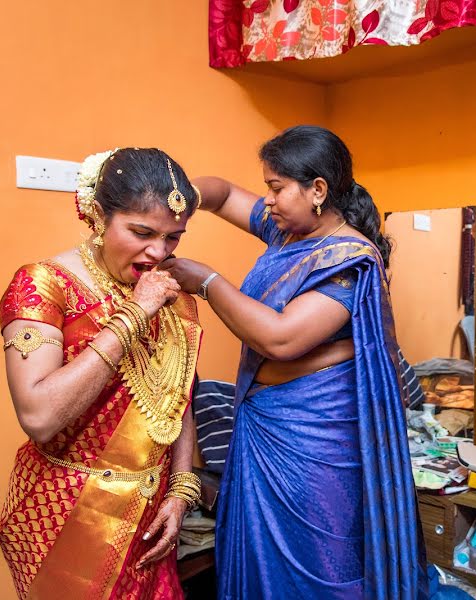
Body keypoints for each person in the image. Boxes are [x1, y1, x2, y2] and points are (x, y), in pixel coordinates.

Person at [163, 125, 427, 599]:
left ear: (318, 190)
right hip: (263, 425)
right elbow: (221, 193)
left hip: (316, 439)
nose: (268, 200)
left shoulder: (349, 259)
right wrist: (181, 198)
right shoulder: (286, 232)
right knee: (261, 567)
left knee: (317, 567)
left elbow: (281, 339)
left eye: (276, 187)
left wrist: (206, 281)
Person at [0, 148, 203, 599]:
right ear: (97, 215)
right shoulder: (43, 286)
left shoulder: (169, 291)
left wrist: (181, 490)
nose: (158, 252)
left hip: (151, 522)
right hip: (73, 518)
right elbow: (40, 415)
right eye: (142, 232)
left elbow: (179, 391)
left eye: (173, 237)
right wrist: (135, 313)